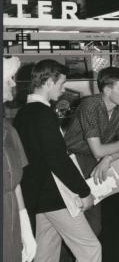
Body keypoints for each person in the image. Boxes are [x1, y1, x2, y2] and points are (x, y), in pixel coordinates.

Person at [14, 59, 101, 262]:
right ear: (48, 83)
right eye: (61, 84)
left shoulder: (23, 114)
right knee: (91, 249)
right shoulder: (43, 114)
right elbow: (57, 159)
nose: (63, 91)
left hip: (36, 197)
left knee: (45, 255)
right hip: (54, 197)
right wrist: (84, 191)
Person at [64, 66, 119, 236]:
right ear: (106, 89)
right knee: (76, 225)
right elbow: (99, 150)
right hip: (72, 162)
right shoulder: (90, 105)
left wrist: (109, 158)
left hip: (94, 163)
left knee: (93, 227)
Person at [3, 57, 36, 262]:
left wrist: (26, 229)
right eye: (8, 80)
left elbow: (16, 185)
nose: (14, 84)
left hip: (11, 217)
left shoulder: (9, 130)